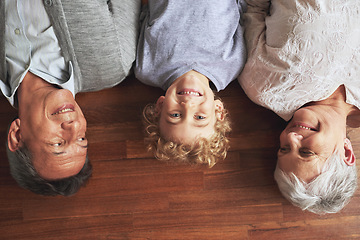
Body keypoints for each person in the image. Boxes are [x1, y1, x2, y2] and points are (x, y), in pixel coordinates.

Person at [1, 0, 140, 195]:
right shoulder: (112, 64)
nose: (74, 126)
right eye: (81, 138)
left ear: (17, 135)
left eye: (58, 143)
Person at [238, 0, 360, 214]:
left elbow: (253, 8)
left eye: (284, 149)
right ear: (346, 152)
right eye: (306, 151)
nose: (291, 138)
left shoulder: (266, 87)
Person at [135, 0, 247, 167]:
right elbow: (240, 15)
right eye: (200, 117)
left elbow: (145, 16)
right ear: (218, 111)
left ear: (160, 106)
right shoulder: (231, 65)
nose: (187, 106)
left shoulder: (147, 69)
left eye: (175, 115)